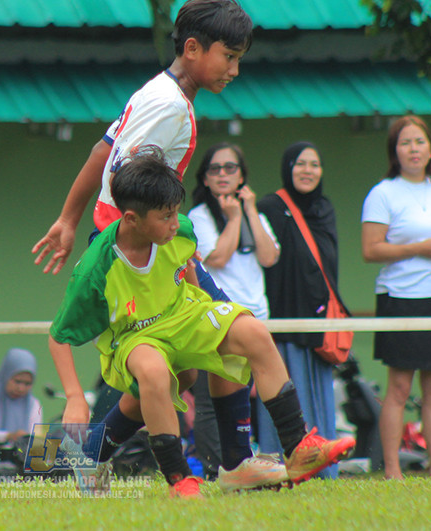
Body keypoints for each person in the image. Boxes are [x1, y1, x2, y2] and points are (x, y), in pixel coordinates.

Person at [32, 0, 278, 492]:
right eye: (229, 57)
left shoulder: (158, 91)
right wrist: (139, 245)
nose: (234, 70)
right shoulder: (169, 108)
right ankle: (236, 463)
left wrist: (68, 218)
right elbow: (121, 179)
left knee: (177, 372)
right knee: (228, 327)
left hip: (132, 236)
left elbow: (102, 150)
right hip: (135, 243)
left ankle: (86, 457)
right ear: (193, 48)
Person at [49, 150, 355, 498]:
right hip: (135, 336)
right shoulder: (94, 269)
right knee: (155, 374)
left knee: (251, 330)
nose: (175, 222)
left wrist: (215, 321)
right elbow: (58, 337)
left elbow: (189, 267)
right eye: (166, 216)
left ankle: (297, 447)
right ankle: (179, 479)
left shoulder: (179, 231)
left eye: (175, 212)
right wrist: (75, 397)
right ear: (132, 219)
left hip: (184, 315)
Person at [361, 115, 431, 479]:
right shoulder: (382, 193)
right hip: (402, 296)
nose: (413, 149)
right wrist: (419, 248)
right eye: (405, 143)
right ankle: (392, 470)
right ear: (395, 152)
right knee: (400, 387)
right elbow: (371, 250)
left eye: (419, 142)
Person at [186, 142, 279, 479]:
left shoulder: (256, 214)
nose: (223, 174)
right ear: (205, 178)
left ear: (242, 176)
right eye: (215, 169)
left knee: (253, 396)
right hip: (217, 317)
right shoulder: (198, 217)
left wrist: (249, 212)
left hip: (256, 317)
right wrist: (234, 218)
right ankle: (217, 469)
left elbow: (269, 257)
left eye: (230, 168)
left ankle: (252, 462)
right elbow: (218, 257)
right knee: (212, 401)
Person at [255, 141, 343, 478]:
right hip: (284, 321)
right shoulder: (270, 207)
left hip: (319, 322)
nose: (308, 171)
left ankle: (323, 468)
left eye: (314, 164)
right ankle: (280, 467)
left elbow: (328, 265)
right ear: (288, 167)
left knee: (318, 395)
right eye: (301, 163)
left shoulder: (324, 208)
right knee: (285, 392)